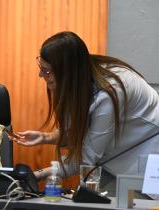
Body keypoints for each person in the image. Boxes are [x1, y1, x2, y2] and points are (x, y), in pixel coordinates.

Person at [12, 31, 159, 196]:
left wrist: (40, 174)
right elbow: (78, 131)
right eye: (41, 68)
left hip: (146, 156)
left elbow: (86, 161)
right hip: (114, 156)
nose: (41, 75)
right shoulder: (77, 80)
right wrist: (47, 137)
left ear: (66, 72)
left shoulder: (107, 95)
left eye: (46, 71)